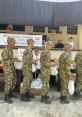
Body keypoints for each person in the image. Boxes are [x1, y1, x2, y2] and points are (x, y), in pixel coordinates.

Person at [1, 37, 17, 104]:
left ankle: (10, 93)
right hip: (8, 69)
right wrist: (13, 60)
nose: (14, 44)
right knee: (8, 83)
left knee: (14, 80)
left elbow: (10, 59)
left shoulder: (10, 50)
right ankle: (6, 96)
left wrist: (13, 59)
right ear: (9, 42)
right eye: (13, 42)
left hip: (12, 68)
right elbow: (5, 61)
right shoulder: (5, 50)